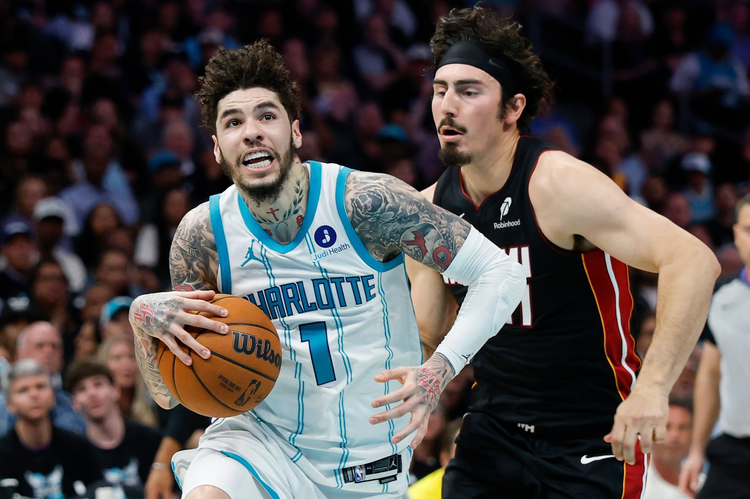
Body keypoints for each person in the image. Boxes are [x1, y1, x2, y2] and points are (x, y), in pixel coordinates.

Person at [128, 40, 526, 499]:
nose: (252, 132)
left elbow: (502, 274)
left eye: (266, 116)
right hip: (259, 444)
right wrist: (142, 321)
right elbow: (170, 393)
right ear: (217, 149)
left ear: (296, 132)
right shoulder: (202, 236)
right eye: (233, 122)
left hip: (369, 460)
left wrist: (438, 371)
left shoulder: (366, 203)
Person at [404, 6, 720, 498]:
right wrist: (409, 386)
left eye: (469, 91)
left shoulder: (558, 185)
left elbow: (694, 260)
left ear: (513, 108)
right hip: (492, 430)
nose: (448, 105)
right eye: (441, 90)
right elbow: (429, 333)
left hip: (591, 433)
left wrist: (653, 389)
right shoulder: (428, 213)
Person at [679, 192, 750, 498]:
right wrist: (696, 451)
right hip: (734, 450)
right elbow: (709, 374)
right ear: (736, 234)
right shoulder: (721, 297)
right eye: (749, 229)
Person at [0, 359, 102, 498]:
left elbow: (100, 491)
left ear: (53, 396)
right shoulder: (3, 454)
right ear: (9, 404)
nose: (34, 395)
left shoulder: (77, 446)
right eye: (23, 390)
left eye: (40, 386)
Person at [66, 359, 162, 494]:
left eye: (98, 384)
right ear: (74, 402)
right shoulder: (75, 454)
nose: (92, 394)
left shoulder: (150, 439)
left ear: (115, 390)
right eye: (82, 389)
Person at [0, 322, 86, 436]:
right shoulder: (2, 404)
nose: (49, 351)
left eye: (55, 346)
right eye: (40, 346)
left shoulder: (74, 403)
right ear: (19, 353)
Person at [643, 399, 693, 499]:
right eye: (667, 426)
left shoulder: (704, 486)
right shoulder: (635, 484)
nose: (675, 436)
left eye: (683, 427)